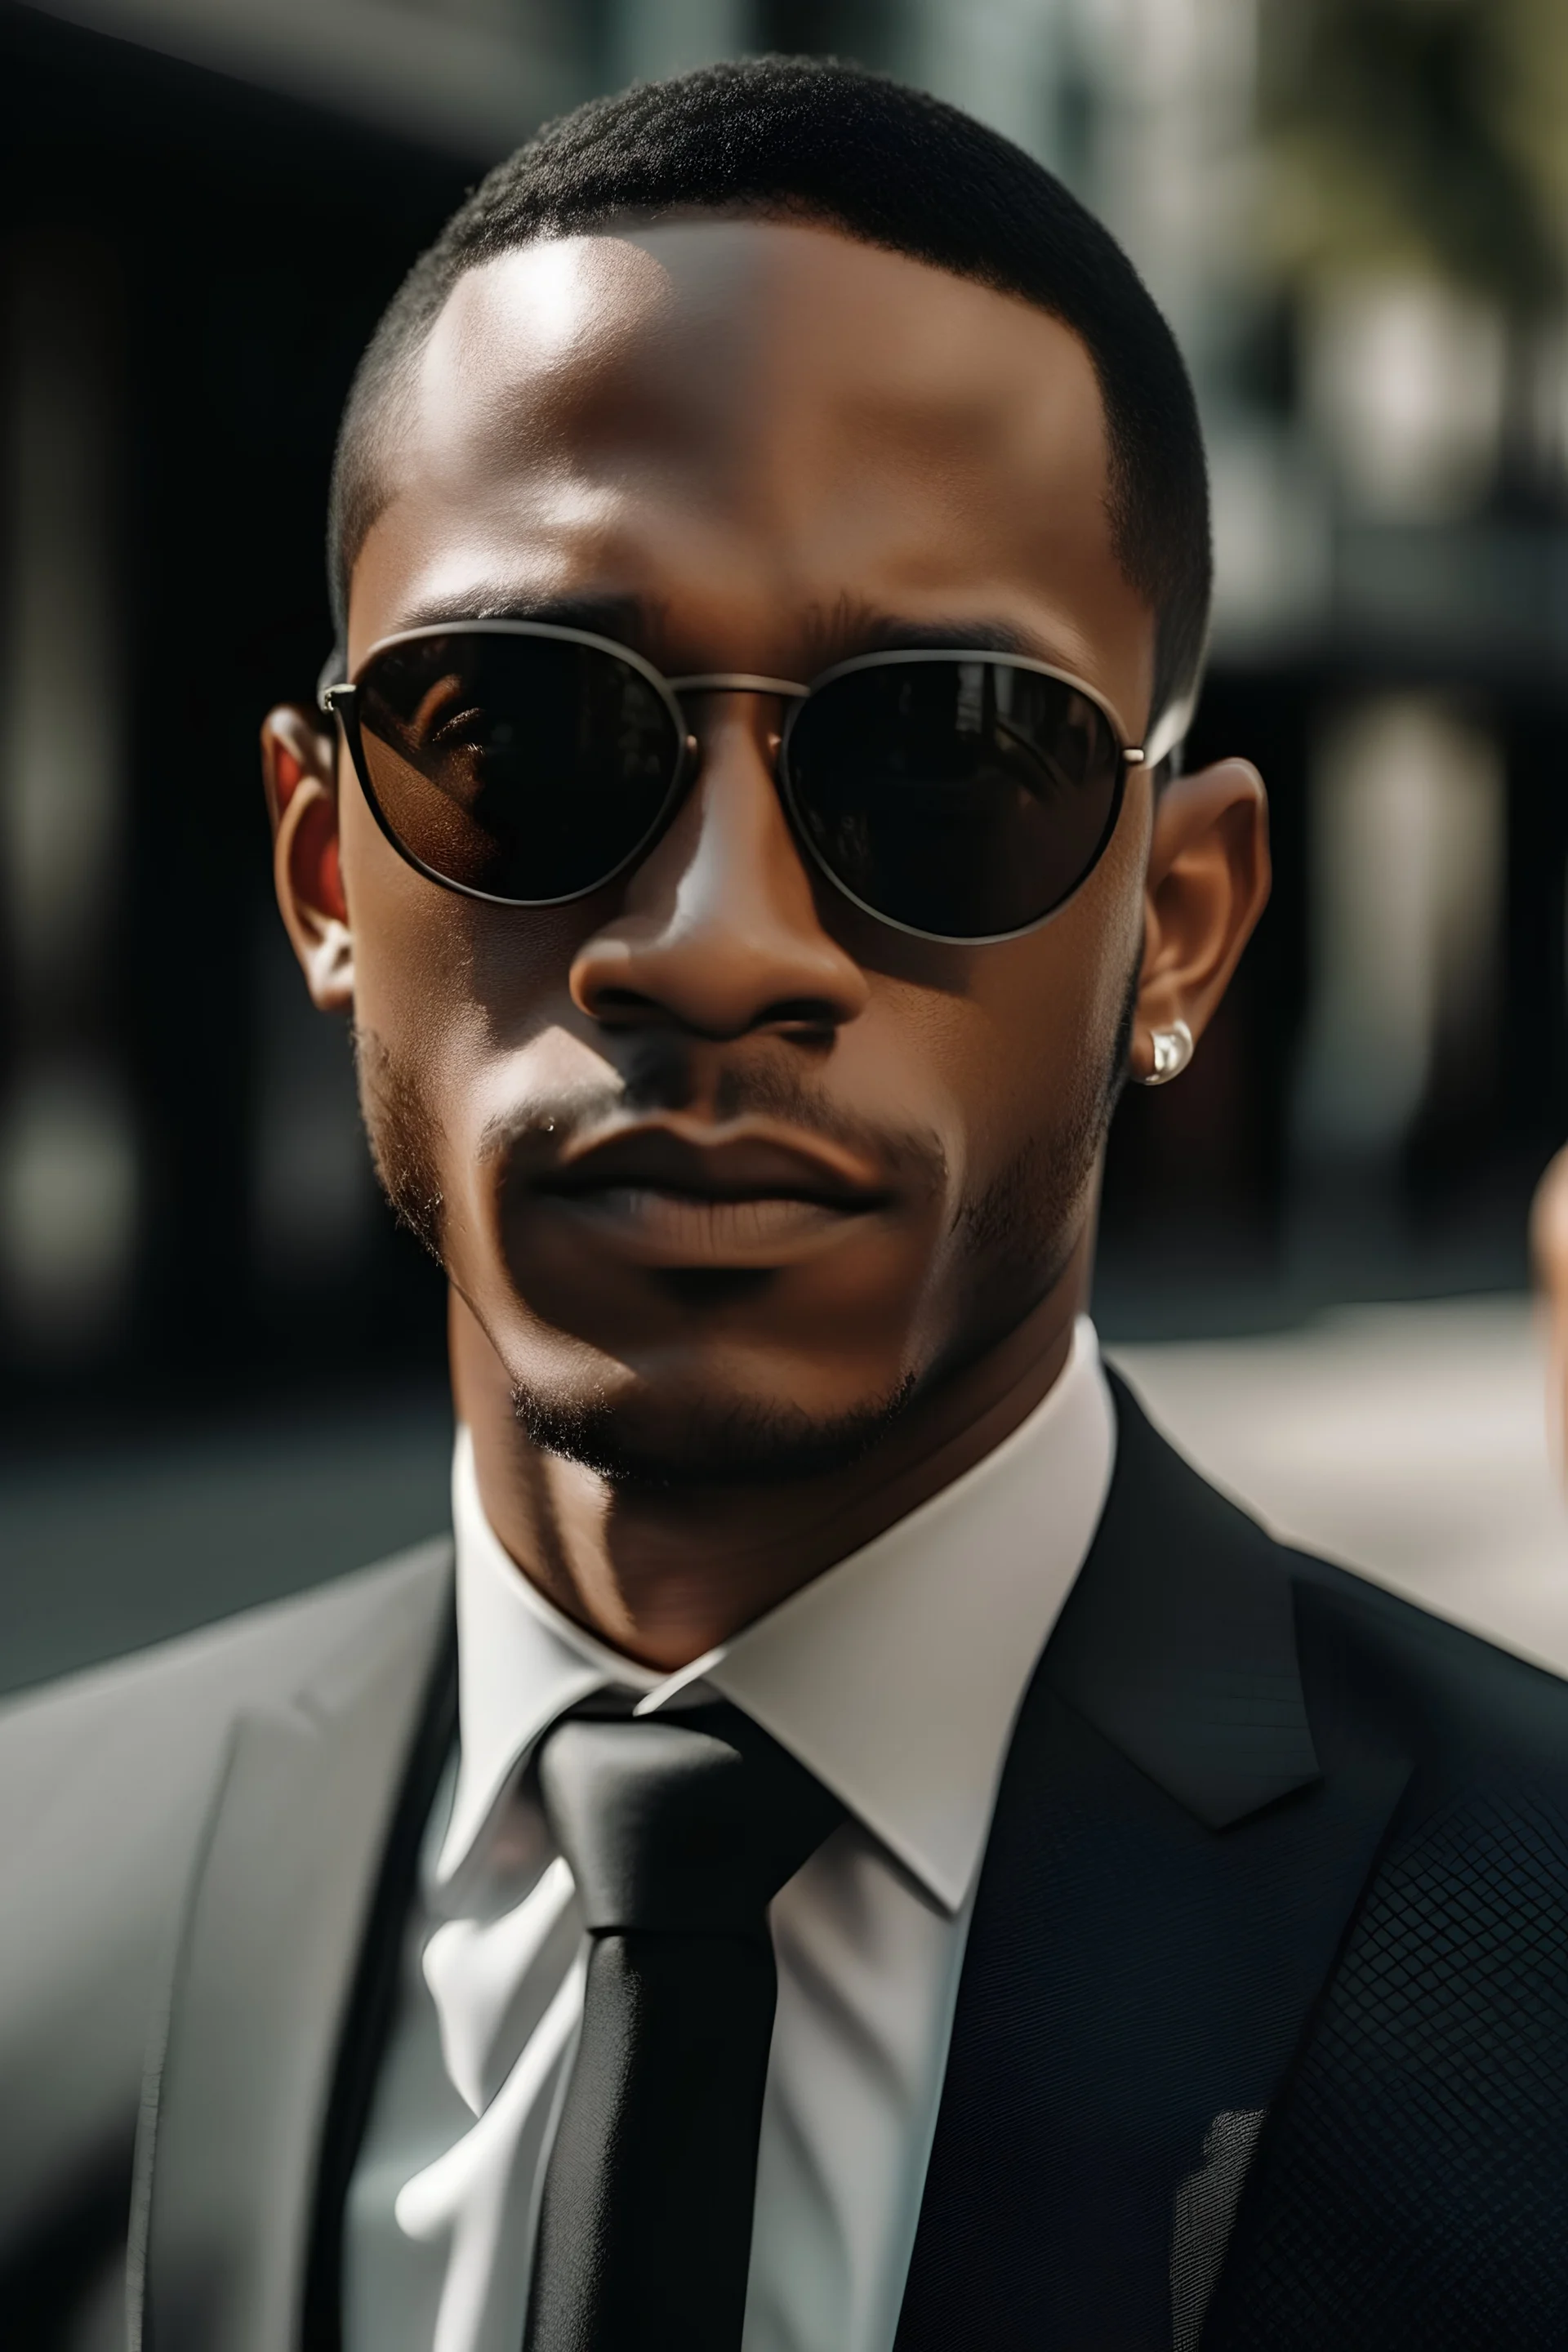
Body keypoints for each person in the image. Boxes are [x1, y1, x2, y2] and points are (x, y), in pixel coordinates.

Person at [6, 56, 1568, 2352]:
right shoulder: (32, 1898)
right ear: (327, 867)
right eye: (522, 735)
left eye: (950, 759)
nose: (718, 941)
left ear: (1191, 922)